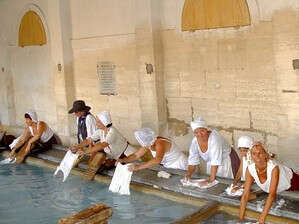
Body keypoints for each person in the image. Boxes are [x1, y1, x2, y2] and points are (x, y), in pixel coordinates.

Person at [240, 142, 299, 224]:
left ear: (265, 154)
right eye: (254, 154)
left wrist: (261, 218)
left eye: (260, 153)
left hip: (291, 181)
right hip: (273, 187)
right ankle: (260, 192)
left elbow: (272, 195)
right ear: (251, 156)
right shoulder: (250, 169)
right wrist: (240, 218)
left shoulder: (273, 168)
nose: (257, 156)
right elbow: (245, 195)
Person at [71, 110, 136, 180]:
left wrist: (85, 152)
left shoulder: (112, 132)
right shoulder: (100, 131)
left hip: (126, 154)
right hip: (114, 155)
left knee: (107, 166)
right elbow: (88, 140)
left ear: (104, 122)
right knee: (100, 166)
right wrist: (76, 147)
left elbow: (103, 145)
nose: (96, 124)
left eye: (98, 122)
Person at [185, 117, 240, 187]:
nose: (200, 134)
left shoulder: (214, 138)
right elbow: (192, 161)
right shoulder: (195, 142)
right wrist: (188, 175)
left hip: (225, 162)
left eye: (202, 131)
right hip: (212, 164)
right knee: (212, 185)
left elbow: (215, 160)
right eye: (196, 132)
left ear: (206, 129)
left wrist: (211, 180)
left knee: (224, 185)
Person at [117, 128, 188, 171]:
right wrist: (123, 160)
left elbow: (157, 159)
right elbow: (136, 155)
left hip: (179, 164)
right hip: (168, 165)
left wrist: (138, 167)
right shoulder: (149, 143)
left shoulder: (160, 143)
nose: (144, 146)